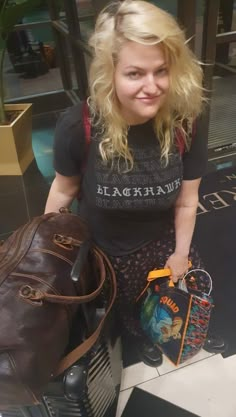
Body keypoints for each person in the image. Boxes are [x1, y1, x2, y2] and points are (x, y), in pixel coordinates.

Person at [45, 0, 226, 367]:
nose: (152, 86)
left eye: (161, 70)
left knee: (181, 306)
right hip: (105, 250)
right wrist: (50, 258)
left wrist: (179, 254)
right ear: (109, 72)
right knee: (121, 314)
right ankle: (135, 332)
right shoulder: (78, 126)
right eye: (134, 74)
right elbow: (62, 193)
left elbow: (187, 201)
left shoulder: (184, 123)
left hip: (161, 243)